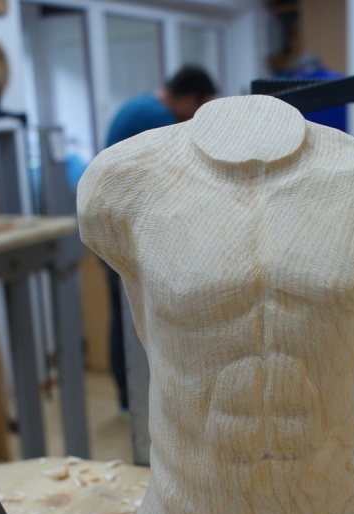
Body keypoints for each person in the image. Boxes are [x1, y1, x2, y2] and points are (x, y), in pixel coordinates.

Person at [103, 66, 217, 413]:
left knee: (125, 316)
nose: (194, 117)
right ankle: (136, 403)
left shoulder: (140, 107)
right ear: (189, 98)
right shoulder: (159, 120)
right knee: (138, 319)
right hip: (127, 235)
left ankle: (129, 401)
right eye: (199, 107)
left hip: (118, 231)